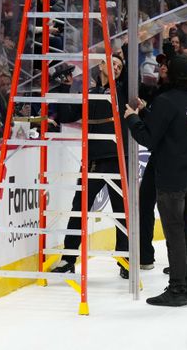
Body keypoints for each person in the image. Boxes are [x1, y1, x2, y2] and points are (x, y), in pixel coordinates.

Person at [124, 55, 187, 307]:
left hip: (171, 179)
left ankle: (177, 290)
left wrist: (132, 118)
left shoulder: (167, 100)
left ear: (172, 74)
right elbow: (173, 126)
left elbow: (148, 138)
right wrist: (147, 111)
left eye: (165, 68)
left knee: (175, 234)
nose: (161, 71)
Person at [51, 56, 129, 277]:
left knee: (122, 213)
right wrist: (65, 89)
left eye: (119, 67)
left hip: (117, 159)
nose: (115, 67)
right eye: (112, 63)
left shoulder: (122, 92)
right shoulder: (88, 92)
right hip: (93, 161)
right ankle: (68, 259)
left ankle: (125, 260)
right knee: (79, 209)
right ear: (101, 65)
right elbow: (67, 116)